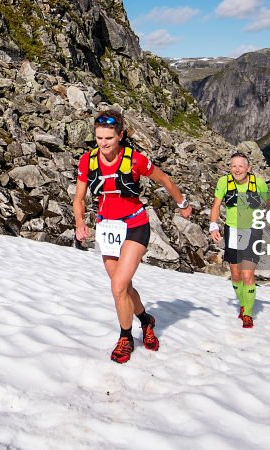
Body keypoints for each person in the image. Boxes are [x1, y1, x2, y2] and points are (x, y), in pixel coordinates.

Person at [73, 110, 192, 364]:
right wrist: (80, 223)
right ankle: (146, 320)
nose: (103, 143)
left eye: (108, 138)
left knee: (117, 287)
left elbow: (165, 180)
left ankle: (125, 337)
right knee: (123, 287)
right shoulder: (88, 161)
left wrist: (182, 202)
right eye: (99, 138)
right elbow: (79, 198)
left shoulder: (135, 160)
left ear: (121, 136)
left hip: (135, 225)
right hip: (107, 230)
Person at [208, 152, 270, 328]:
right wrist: (213, 225)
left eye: (241, 166)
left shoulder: (259, 184)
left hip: (253, 231)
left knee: (248, 275)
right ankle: (243, 303)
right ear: (229, 168)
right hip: (232, 230)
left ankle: (247, 313)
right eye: (233, 165)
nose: (237, 169)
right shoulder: (223, 182)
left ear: (248, 168)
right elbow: (216, 205)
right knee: (235, 275)